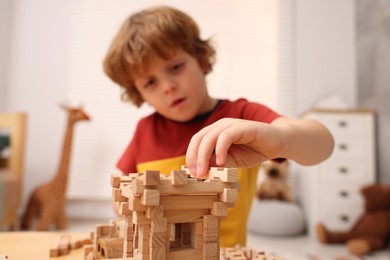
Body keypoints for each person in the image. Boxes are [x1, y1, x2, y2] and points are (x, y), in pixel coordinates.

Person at [103, 5, 334, 247]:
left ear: (201, 60)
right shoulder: (145, 130)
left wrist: (282, 139)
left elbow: (323, 144)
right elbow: (121, 199)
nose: (168, 86)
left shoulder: (242, 116)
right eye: (150, 82)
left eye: (176, 67)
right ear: (138, 93)